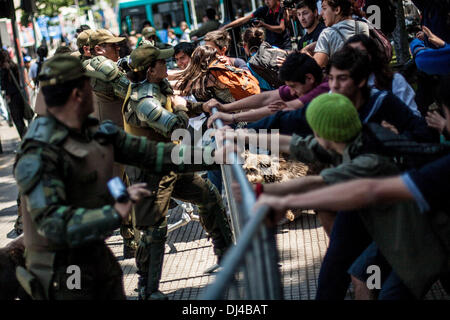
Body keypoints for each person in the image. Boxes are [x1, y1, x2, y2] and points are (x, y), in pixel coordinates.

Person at [13, 54, 227, 300]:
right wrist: (116, 210)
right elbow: (54, 224)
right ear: (75, 95)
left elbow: (153, 153)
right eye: (88, 87)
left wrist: (213, 155)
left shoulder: (93, 132)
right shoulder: (38, 154)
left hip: (97, 259)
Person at [253, 76, 450, 300]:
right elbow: (293, 143)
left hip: (420, 245)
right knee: (363, 277)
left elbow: (334, 185)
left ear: (321, 132)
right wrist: (239, 136)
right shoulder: (351, 140)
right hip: (391, 238)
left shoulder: (366, 158)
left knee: (388, 293)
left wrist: (274, 196)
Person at [123, 44, 233, 300]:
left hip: (169, 163)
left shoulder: (156, 88)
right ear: (150, 70)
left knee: (208, 195)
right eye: (161, 62)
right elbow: (174, 126)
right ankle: (147, 291)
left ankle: (228, 257)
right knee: (154, 230)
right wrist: (186, 108)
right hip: (149, 174)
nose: (167, 64)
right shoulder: (144, 100)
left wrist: (201, 107)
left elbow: (174, 106)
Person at [206, 52, 329, 128]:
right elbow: (267, 97)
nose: (291, 92)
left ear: (309, 78)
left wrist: (233, 118)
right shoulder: (305, 84)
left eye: (293, 86)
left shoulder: (324, 88)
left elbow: (281, 108)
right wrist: (225, 108)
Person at [345, 34, 421, 116]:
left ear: (372, 55)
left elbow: (413, 117)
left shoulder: (394, 81)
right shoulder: (343, 83)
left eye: (361, 53)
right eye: (350, 54)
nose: (355, 58)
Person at [309, 0, 369, 68]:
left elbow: (315, 68)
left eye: (324, 8)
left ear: (337, 10)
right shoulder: (364, 26)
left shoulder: (327, 34)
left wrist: (305, 52)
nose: (321, 13)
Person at [221, 0, 291, 50]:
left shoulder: (283, 9)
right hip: (271, 45)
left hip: (285, 45)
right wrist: (226, 26)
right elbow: (244, 19)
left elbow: (281, 29)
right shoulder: (264, 9)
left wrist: (264, 25)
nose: (266, 2)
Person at [0, 50, 27, 139]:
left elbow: (3, 86)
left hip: (11, 97)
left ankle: (24, 140)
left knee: (17, 119)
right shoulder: (14, 65)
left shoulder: (3, 69)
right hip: (19, 94)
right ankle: (26, 138)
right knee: (22, 119)